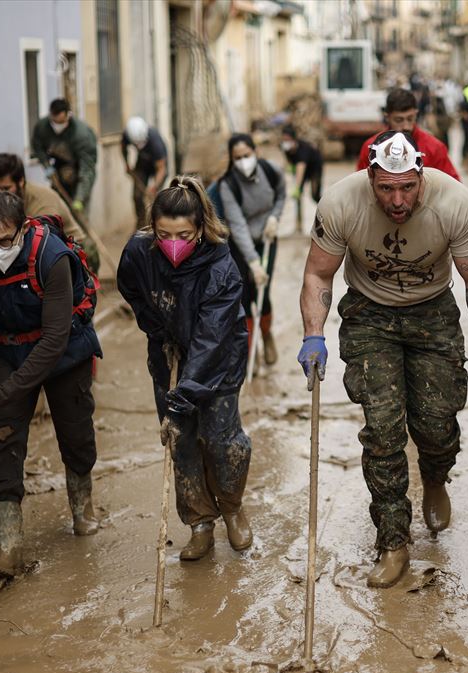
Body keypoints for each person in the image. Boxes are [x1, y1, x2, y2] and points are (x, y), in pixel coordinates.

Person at [297, 131, 468, 588]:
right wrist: (314, 335)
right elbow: (318, 272)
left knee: (436, 421)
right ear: (370, 176)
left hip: (432, 310)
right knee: (383, 429)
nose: (397, 200)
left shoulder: (455, 203)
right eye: (386, 188)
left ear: (421, 176)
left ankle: (435, 476)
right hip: (369, 313)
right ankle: (392, 541)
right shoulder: (340, 204)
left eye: (408, 187)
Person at [0, 191, 102, 582]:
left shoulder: (51, 258)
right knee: (3, 438)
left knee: (76, 435)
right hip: (7, 348)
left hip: (63, 351)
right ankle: (9, 548)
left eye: (6, 242)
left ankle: (83, 511)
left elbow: (53, 342)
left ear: (22, 230)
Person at [117, 177, 252, 561]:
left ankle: (232, 506)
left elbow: (212, 336)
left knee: (222, 440)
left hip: (219, 359)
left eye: (183, 234)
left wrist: (187, 392)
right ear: (151, 228)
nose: (172, 242)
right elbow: (133, 292)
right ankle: (199, 522)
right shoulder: (139, 253)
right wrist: (158, 329)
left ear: (201, 228)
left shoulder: (220, 264)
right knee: (182, 442)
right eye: (163, 233)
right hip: (168, 353)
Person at [218, 134, 287, 364]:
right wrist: (253, 262)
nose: (243, 161)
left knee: (263, 293)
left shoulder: (271, 171)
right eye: (237, 157)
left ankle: (266, 335)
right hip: (240, 244)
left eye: (246, 155)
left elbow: (281, 195)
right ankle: (249, 351)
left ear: (255, 152)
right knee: (243, 296)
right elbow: (237, 225)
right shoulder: (228, 184)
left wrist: (274, 218)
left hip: (267, 237)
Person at [0, 152, 98, 271]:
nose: (0, 194)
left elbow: (43, 246)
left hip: (65, 248)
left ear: (21, 182)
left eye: (6, 188)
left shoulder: (43, 202)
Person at [355, 88, 461, 180]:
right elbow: (361, 189)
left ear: (416, 113)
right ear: (387, 117)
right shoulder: (371, 148)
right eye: (399, 120)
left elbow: (453, 187)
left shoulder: (435, 148)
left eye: (410, 119)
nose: (406, 126)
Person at [29, 98, 98, 214]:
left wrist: (79, 198)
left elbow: (87, 169)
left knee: (79, 215)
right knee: (57, 211)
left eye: (60, 122)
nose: (57, 126)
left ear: (68, 115)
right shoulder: (42, 127)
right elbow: (38, 147)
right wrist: (47, 167)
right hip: (58, 172)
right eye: (54, 122)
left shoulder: (82, 135)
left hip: (80, 173)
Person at [122, 116, 169, 229]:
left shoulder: (155, 142)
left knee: (157, 198)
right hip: (143, 163)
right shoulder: (128, 135)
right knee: (137, 195)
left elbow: (161, 169)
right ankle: (141, 224)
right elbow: (123, 147)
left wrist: (154, 186)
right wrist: (127, 164)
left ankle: (159, 225)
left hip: (158, 165)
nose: (138, 146)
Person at [281, 124, 325, 228]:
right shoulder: (286, 148)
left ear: (294, 139)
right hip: (301, 167)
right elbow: (288, 161)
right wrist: (289, 168)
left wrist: (297, 187)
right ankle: (298, 225)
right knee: (298, 197)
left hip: (314, 168)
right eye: (284, 139)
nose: (285, 142)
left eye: (288, 140)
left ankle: (325, 217)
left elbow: (300, 169)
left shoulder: (303, 149)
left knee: (315, 195)